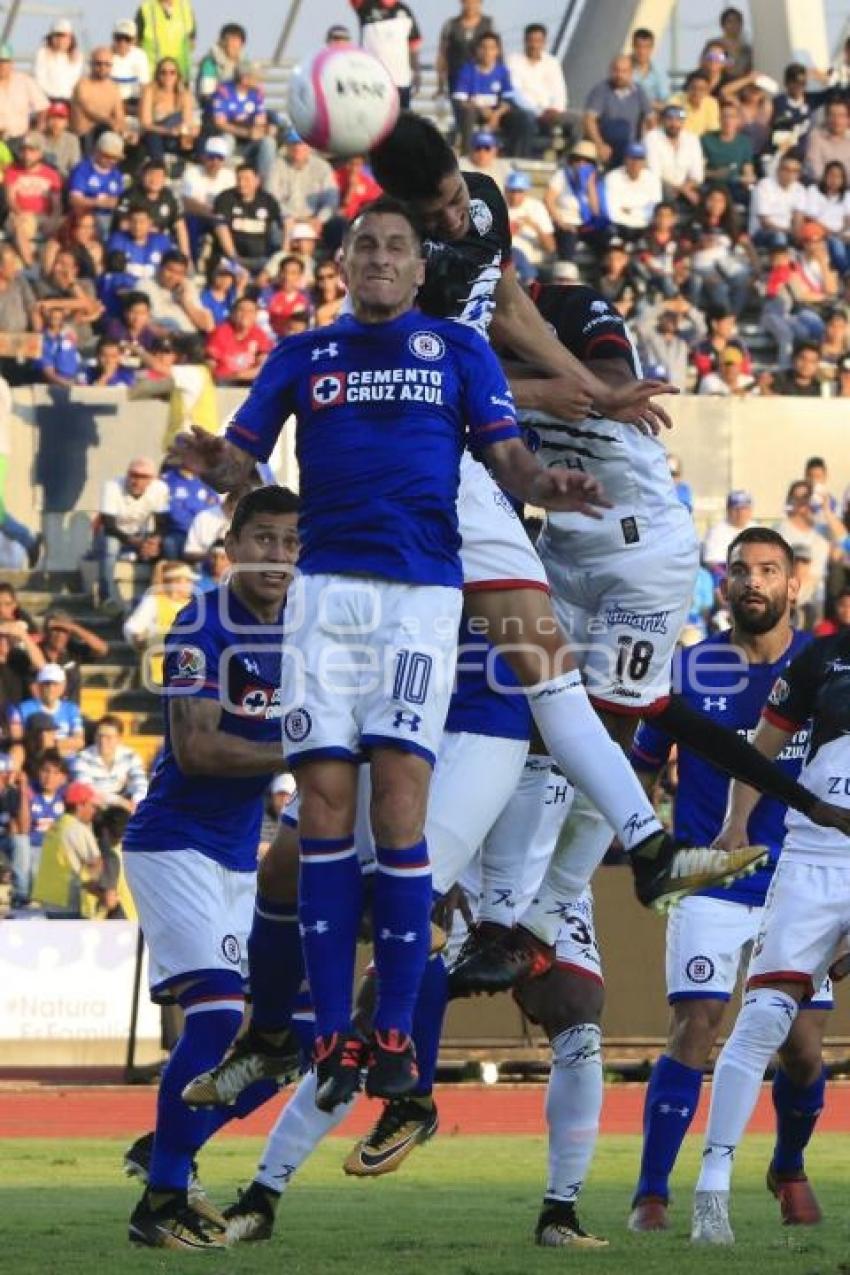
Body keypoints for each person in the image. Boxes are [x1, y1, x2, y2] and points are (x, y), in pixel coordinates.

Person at [179, 196, 641, 1108]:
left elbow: (508, 463)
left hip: (421, 599)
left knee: (399, 801)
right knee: (320, 803)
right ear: (344, 265)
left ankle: (389, 1029)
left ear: (420, 269)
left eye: (396, 246)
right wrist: (214, 464)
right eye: (366, 246)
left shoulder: (459, 352)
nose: (381, 258)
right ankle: (323, 1046)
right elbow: (246, 463)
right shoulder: (302, 355)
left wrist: (553, 481)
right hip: (326, 598)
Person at [630, 528, 830, 1232]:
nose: (753, 580)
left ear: (793, 585)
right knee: (696, 1024)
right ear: (724, 584)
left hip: (801, 881)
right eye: (741, 569)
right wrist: (641, 841)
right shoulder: (688, 669)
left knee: (803, 1049)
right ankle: (651, 1193)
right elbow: (643, 766)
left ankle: (788, 1163)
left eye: (768, 569)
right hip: (711, 874)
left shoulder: (828, 667)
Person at [121, 486, 299, 1249]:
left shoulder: (307, 625)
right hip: (173, 842)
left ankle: (168, 1148)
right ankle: (160, 1198)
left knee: (286, 1047)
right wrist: (307, 748)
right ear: (231, 542)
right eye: (264, 538)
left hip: (237, 859)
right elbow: (196, 750)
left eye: (293, 542)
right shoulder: (200, 623)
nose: (279, 556)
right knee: (220, 1016)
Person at [691, 627, 850, 1244]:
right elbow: (760, 751)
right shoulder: (825, 657)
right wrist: (737, 824)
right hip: (815, 856)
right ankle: (712, 1190)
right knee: (761, 1023)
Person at [453, 30, 532, 158]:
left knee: (522, 118)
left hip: (497, 112)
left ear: (497, 51)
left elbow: (508, 100)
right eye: (483, 47)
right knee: (468, 114)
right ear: (477, 50)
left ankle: (516, 158)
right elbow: (460, 100)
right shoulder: (467, 70)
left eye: (491, 48)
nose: (487, 52)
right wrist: (480, 108)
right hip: (475, 111)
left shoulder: (503, 71)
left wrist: (496, 114)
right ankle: (467, 156)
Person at [32, 780, 102, 917]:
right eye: (91, 805)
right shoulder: (77, 829)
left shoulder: (56, 825)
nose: (94, 810)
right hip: (68, 901)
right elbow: (96, 863)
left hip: (50, 900)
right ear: (80, 805)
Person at [507, 23, 571, 151]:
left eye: (538, 41)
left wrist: (555, 109)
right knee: (527, 119)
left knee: (577, 122)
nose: (534, 45)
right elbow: (515, 92)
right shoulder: (513, 60)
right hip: (523, 110)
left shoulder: (552, 63)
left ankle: (566, 163)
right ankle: (523, 159)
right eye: (531, 40)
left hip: (549, 112)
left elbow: (560, 92)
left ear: (544, 42)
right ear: (525, 41)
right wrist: (538, 112)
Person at [4, 132, 62, 270]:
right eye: (24, 150)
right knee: (20, 226)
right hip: (20, 215)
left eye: (32, 150)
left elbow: (57, 204)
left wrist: (53, 219)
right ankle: (31, 266)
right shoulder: (12, 172)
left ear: (40, 153)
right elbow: (10, 199)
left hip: (44, 216)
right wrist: (21, 213)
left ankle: (48, 270)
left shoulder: (51, 175)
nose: (27, 155)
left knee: (61, 230)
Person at [350, 0, 422, 111]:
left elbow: (414, 44)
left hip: (401, 81)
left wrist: (417, 73)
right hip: (373, 82)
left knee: (401, 121)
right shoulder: (365, 5)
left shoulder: (405, 11)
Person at [210, 62, 275, 184]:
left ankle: (266, 186)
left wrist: (266, 129)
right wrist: (246, 133)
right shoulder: (224, 91)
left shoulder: (257, 93)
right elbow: (219, 122)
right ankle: (223, 183)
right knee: (226, 140)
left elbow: (260, 120)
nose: (259, 81)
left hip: (250, 142)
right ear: (245, 79)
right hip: (231, 137)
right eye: (256, 77)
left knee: (269, 142)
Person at [213, 166, 283, 277]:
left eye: (246, 179)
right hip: (232, 258)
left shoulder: (268, 200)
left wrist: (282, 253)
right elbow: (220, 227)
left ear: (257, 181)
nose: (242, 183)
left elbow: (282, 224)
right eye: (239, 179)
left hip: (262, 259)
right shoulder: (225, 198)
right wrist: (233, 257)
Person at [583, 55, 651, 170]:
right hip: (606, 143)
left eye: (624, 71)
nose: (619, 75)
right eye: (616, 70)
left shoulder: (639, 92)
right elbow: (589, 120)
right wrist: (599, 144)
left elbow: (650, 120)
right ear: (610, 71)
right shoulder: (601, 91)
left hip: (630, 147)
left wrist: (643, 147)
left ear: (631, 73)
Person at [72, 714, 147, 812]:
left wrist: (136, 801)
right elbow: (87, 791)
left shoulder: (130, 755)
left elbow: (140, 782)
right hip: (95, 808)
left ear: (119, 739)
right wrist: (119, 801)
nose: (103, 741)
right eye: (100, 736)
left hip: (123, 805)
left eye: (108, 737)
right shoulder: (82, 758)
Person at [10, 664, 84, 757]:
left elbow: (80, 742)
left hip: (67, 760)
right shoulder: (23, 708)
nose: (51, 688)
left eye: (55, 684)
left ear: (63, 686)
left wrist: (52, 744)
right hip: (36, 757)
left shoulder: (71, 709)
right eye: (47, 683)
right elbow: (18, 739)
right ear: (39, 686)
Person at [39, 609, 108, 702]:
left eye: (64, 631)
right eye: (55, 630)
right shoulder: (36, 651)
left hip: (70, 712)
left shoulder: (73, 650)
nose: (59, 635)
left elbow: (102, 649)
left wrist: (74, 628)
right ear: (46, 631)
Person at [138, 56, 196, 163]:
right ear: (158, 75)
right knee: (153, 137)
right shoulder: (150, 91)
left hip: (176, 136)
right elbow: (145, 124)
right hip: (155, 133)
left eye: (172, 72)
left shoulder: (184, 94)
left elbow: (187, 122)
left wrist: (185, 133)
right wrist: (168, 131)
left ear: (177, 75)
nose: (167, 76)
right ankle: (158, 168)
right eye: (163, 72)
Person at [645, 102, 704, 207]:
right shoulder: (652, 138)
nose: (674, 124)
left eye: (678, 120)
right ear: (662, 121)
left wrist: (684, 189)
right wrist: (683, 191)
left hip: (687, 188)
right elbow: (655, 174)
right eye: (670, 119)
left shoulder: (692, 139)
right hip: (662, 188)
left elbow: (697, 175)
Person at [206, 295, 272, 385]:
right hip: (224, 381)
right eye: (241, 310)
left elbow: (263, 366)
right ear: (233, 313)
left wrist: (241, 375)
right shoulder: (220, 332)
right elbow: (211, 364)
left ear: (256, 315)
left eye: (250, 311)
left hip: (248, 379)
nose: (245, 314)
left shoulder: (259, 334)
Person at [436, 0, 493, 101]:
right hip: (457, 80)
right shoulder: (450, 25)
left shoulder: (489, 24)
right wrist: (440, 85)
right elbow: (442, 56)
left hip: (483, 80)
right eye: (467, 2)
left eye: (474, 2)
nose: (470, 6)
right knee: (462, 113)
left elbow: (498, 54)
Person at [604, 141, 662, 240]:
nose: (635, 163)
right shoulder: (612, 177)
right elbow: (612, 211)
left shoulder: (653, 179)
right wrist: (639, 211)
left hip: (645, 226)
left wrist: (631, 211)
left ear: (644, 161)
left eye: (639, 159)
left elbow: (654, 208)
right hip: (619, 225)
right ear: (625, 159)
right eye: (632, 158)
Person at [70, 47, 126, 147]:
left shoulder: (114, 87)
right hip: (84, 134)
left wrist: (124, 131)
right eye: (98, 63)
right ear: (91, 64)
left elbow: (119, 115)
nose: (102, 67)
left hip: (105, 131)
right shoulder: (82, 84)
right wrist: (110, 122)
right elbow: (89, 110)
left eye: (107, 64)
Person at [135, 0, 196, 86]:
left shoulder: (185, 7)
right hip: (153, 78)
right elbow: (135, 44)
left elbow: (192, 43)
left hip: (180, 78)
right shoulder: (146, 8)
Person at [0, 43, 48, 144]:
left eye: (4, 61)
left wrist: (36, 132)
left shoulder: (25, 81)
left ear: (12, 63)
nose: (1, 65)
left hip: (21, 140)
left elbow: (43, 107)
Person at [703, 489, 756, 577]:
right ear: (728, 510)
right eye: (736, 509)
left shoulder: (757, 529)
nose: (740, 513)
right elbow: (712, 563)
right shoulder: (716, 531)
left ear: (750, 510)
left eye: (744, 508)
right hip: (725, 575)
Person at [195, 21, 245, 113]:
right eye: (231, 40)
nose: (234, 45)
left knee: (270, 119)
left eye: (238, 41)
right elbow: (207, 94)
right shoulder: (210, 63)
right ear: (222, 42)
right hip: (215, 111)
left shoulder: (243, 64)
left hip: (237, 109)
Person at [33, 18, 82, 105]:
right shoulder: (43, 53)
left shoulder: (77, 56)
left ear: (70, 38)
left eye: (64, 36)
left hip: (68, 101)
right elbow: (39, 79)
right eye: (57, 36)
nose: (60, 40)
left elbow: (75, 81)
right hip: (47, 100)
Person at [805, 99, 850, 184]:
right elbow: (814, 170)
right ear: (826, 118)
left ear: (848, 119)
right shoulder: (816, 137)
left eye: (841, 116)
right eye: (832, 115)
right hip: (822, 188)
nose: (836, 120)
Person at [110, 18, 151, 111]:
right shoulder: (106, 56)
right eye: (119, 38)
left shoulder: (140, 56)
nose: (122, 43)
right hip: (111, 103)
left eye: (127, 39)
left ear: (134, 40)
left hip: (134, 103)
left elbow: (144, 86)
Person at [631, 27, 669, 110]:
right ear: (633, 46)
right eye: (639, 46)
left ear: (652, 48)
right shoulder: (624, 68)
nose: (642, 51)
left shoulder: (659, 70)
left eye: (646, 47)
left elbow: (665, 101)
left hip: (653, 114)